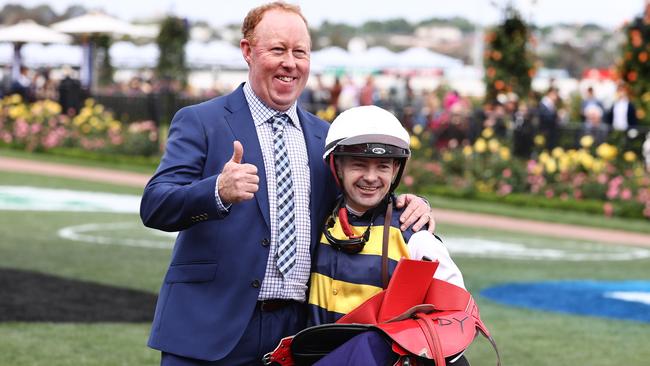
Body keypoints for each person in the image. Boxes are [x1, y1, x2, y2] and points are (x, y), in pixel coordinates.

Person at [139, 2, 434, 365]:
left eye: (300, 52)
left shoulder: (325, 137)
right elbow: (155, 204)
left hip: (295, 337)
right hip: (207, 328)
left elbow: (359, 199)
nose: (290, 63)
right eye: (278, 49)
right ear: (248, 51)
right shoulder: (200, 121)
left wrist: (405, 203)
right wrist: (216, 191)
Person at [308, 105, 465, 326]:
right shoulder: (318, 216)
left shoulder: (414, 234)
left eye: (382, 166)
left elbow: (457, 316)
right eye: (359, 164)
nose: (371, 177)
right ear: (338, 166)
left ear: (395, 170)